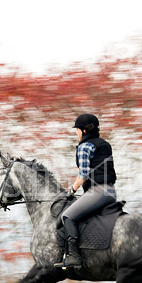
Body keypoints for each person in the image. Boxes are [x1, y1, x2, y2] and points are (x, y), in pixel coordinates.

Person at [54, 114, 117, 269]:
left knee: (67, 215)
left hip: (97, 191)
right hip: (110, 192)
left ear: (83, 130)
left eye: (77, 130)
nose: (76, 133)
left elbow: (83, 175)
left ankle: (74, 257)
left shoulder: (85, 147)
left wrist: (71, 190)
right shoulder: (104, 144)